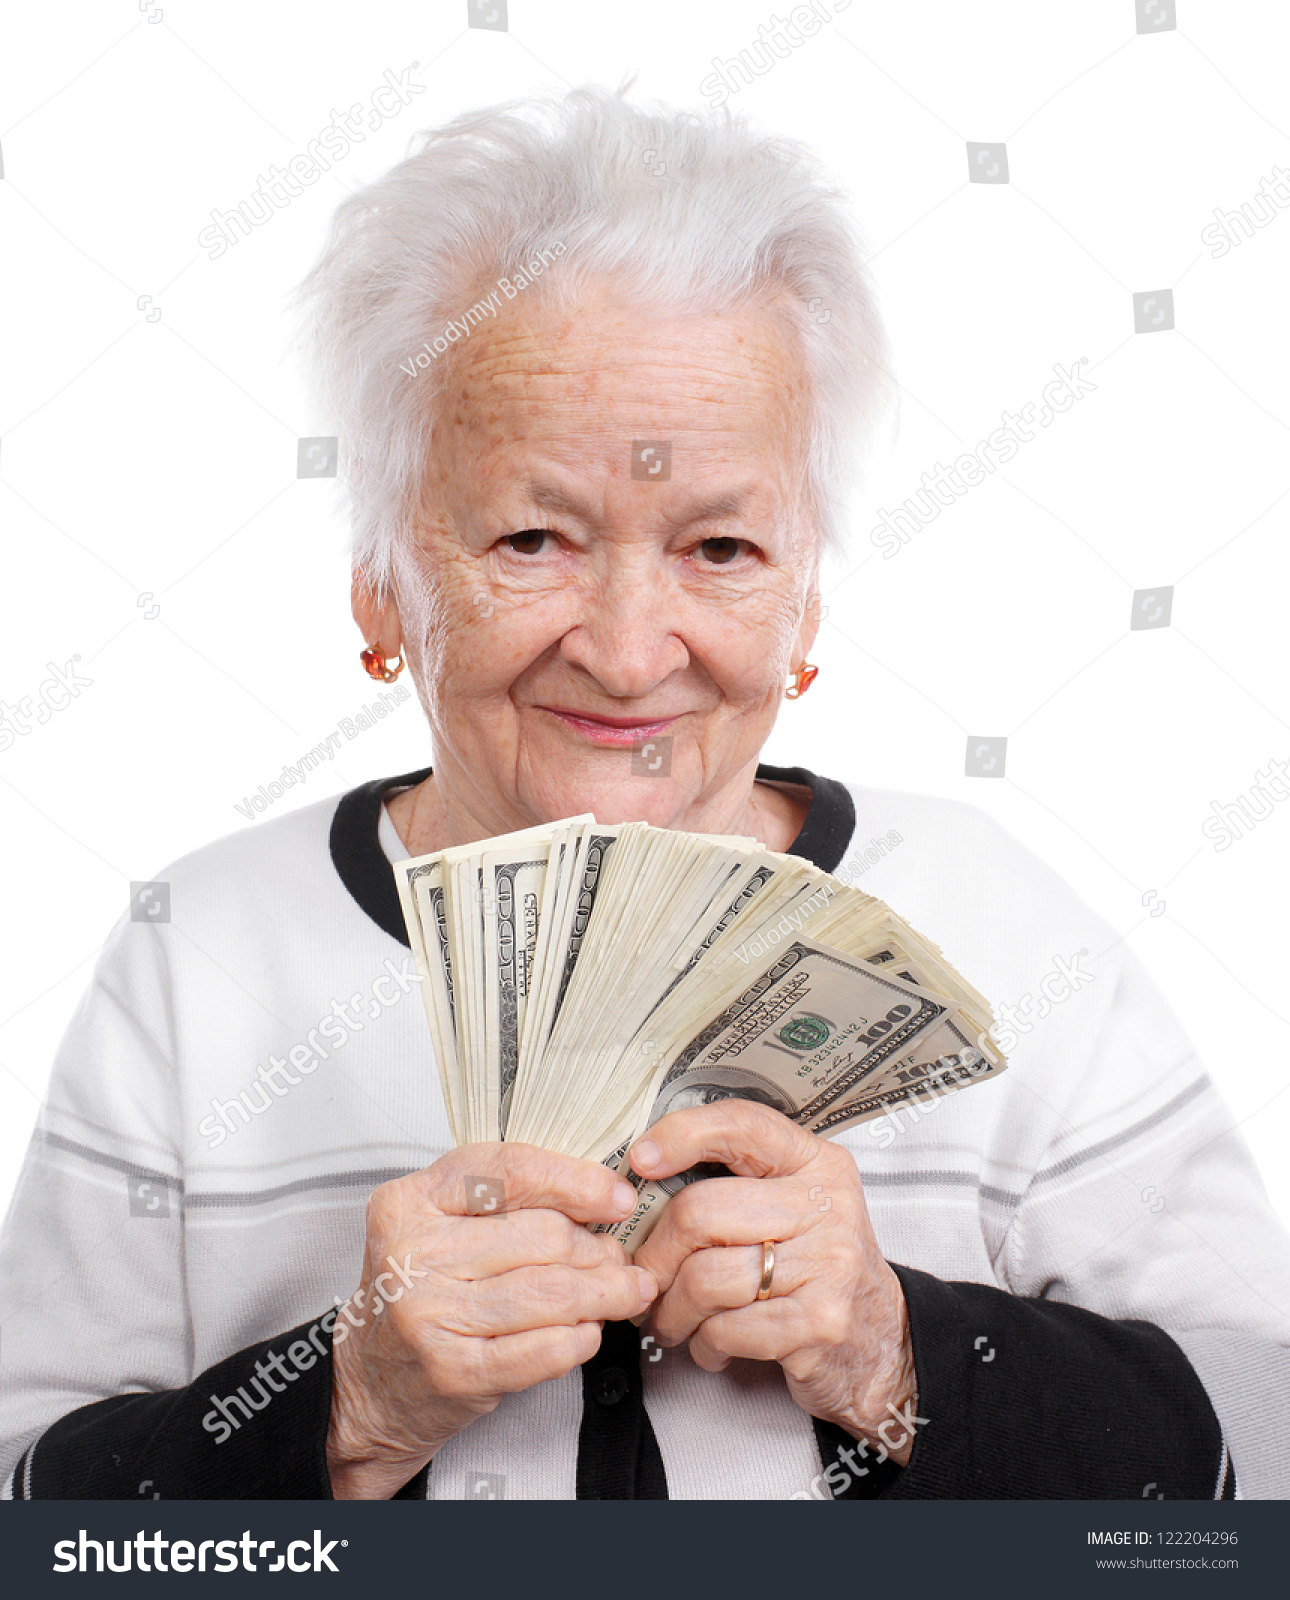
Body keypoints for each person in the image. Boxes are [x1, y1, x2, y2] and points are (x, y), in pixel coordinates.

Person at [2, 84, 1288, 1503]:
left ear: (805, 604)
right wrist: (340, 1404)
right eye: (533, 535)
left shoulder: (1002, 918)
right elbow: (27, 1516)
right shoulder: (203, 958)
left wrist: (898, 1349)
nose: (624, 654)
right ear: (382, 585)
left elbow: (1268, 1446)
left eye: (720, 549)